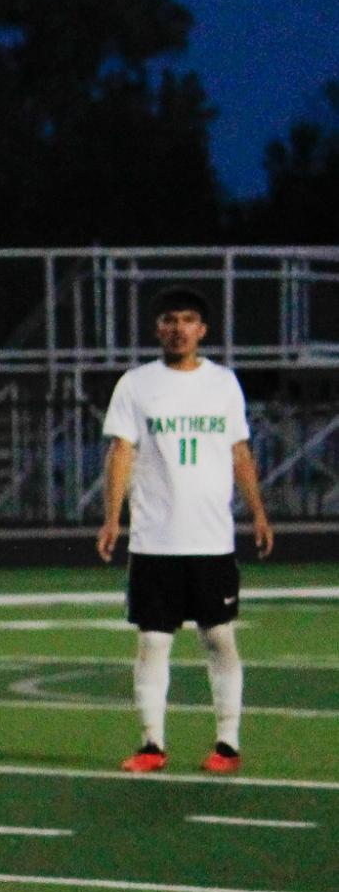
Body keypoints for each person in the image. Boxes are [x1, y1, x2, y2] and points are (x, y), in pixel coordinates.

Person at [98, 284, 274, 774]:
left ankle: (227, 743)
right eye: (170, 320)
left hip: (211, 539)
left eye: (188, 320)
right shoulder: (136, 384)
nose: (179, 329)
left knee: (219, 638)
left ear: (204, 329)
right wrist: (113, 517)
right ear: (158, 328)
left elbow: (240, 451)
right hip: (155, 539)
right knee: (153, 642)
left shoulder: (223, 384)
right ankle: (152, 743)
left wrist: (258, 511)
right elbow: (122, 454)